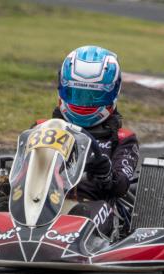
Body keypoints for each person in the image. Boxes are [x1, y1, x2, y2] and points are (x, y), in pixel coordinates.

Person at [52, 45, 139, 238]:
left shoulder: (123, 139)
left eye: (93, 96)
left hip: (91, 203)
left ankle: (74, 237)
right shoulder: (45, 128)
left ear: (112, 93)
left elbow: (122, 186)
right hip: (42, 200)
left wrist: (105, 171)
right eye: (77, 94)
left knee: (84, 215)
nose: (84, 103)